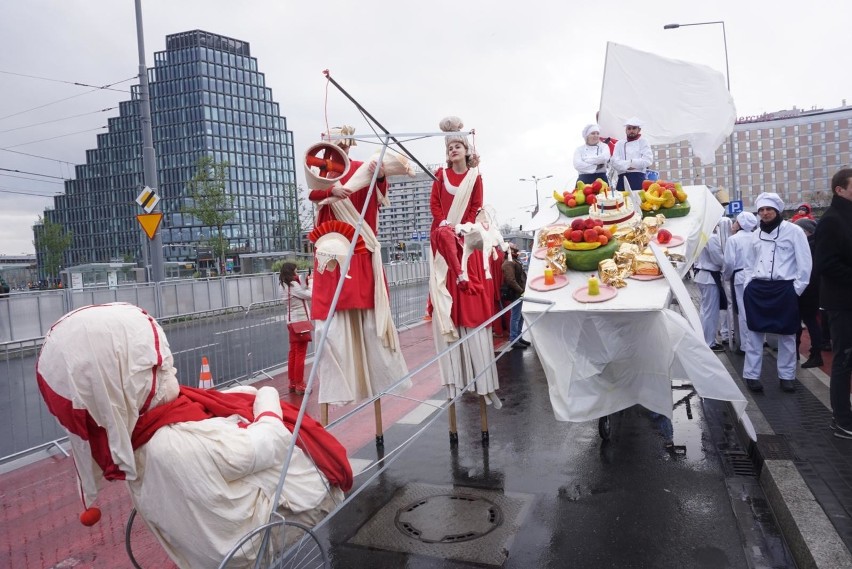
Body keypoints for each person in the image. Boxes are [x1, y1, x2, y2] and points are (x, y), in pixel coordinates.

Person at [35, 303, 350, 569]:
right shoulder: (173, 444)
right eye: (157, 366)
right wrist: (266, 396)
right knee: (294, 453)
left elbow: (205, 413)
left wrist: (238, 396)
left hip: (193, 543)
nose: (169, 368)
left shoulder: (131, 438)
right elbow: (268, 444)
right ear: (122, 380)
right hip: (245, 542)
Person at [308, 126, 408, 407]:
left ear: (350, 145)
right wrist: (331, 189)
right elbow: (313, 195)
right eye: (332, 145)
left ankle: (378, 378)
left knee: (369, 325)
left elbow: (376, 192)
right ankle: (336, 387)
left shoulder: (363, 168)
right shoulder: (321, 176)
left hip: (360, 251)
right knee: (329, 329)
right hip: (331, 256)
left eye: (343, 144)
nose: (338, 150)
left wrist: (380, 174)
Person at [429, 116, 501, 408]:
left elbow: (476, 205)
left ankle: (481, 378)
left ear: (466, 150)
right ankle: (454, 378)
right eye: (450, 147)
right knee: (448, 304)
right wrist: (443, 220)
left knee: (469, 303)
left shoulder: (475, 177)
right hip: (444, 236)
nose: (453, 151)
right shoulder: (439, 175)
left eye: (458, 146)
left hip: (465, 240)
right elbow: (434, 203)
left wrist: (465, 225)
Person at [741, 192, 812, 393]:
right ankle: (751, 376)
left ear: (777, 210)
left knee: (788, 334)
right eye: (761, 210)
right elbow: (748, 264)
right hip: (758, 289)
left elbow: (805, 263)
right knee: (754, 335)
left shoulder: (794, 231)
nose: (765, 213)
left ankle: (787, 376)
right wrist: (748, 286)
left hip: (784, 289)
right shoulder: (755, 235)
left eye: (769, 209)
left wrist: (795, 290)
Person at [813, 168, 852, 439]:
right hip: (842, 302)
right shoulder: (831, 220)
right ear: (840, 189)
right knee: (844, 360)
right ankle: (841, 419)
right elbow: (825, 264)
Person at [723, 211, 758, 355]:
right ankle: (757, 342)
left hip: (740, 277)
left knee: (743, 312)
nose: (734, 224)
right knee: (755, 311)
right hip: (756, 276)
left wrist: (726, 276)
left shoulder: (733, 239)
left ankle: (745, 345)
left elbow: (729, 262)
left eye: (736, 221)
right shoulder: (757, 237)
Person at [792, 218, 823, 369]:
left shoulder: (809, 246)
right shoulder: (816, 244)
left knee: (807, 321)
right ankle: (802, 352)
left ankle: (815, 353)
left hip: (807, 289)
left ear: (807, 232)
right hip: (811, 288)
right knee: (807, 320)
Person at [279, 262, 312, 394]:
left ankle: (292, 382)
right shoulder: (293, 285)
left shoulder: (283, 285)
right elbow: (309, 295)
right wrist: (311, 282)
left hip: (291, 321)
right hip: (300, 322)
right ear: (291, 272)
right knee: (300, 354)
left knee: (293, 352)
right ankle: (300, 384)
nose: (297, 274)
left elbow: (299, 293)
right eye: (296, 271)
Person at [694, 220, 727, 351]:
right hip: (709, 276)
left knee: (705, 310)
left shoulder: (701, 235)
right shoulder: (711, 237)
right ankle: (709, 342)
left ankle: (704, 339)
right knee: (710, 312)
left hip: (703, 275)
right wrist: (726, 263)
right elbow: (718, 258)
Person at [610, 117, 653, 191]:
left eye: (634, 128)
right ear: (626, 130)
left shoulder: (643, 142)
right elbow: (614, 162)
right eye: (629, 128)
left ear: (639, 130)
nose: (631, 131)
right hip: (621, 179)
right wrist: (630, 165)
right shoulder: (619, 144)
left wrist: (629, 163)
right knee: (623, 201)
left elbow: (648, 160)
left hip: (638, 178)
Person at [501, 244, 529, 349]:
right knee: (516, 316)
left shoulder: (512, 260)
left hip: (519, 292)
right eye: (514, 250)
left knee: (520, 316)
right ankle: (514, 339)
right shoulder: (508, 262)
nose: (517, 252)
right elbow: (510, 280)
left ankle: (518, 336)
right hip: (516, 293)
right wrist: (521, 290)